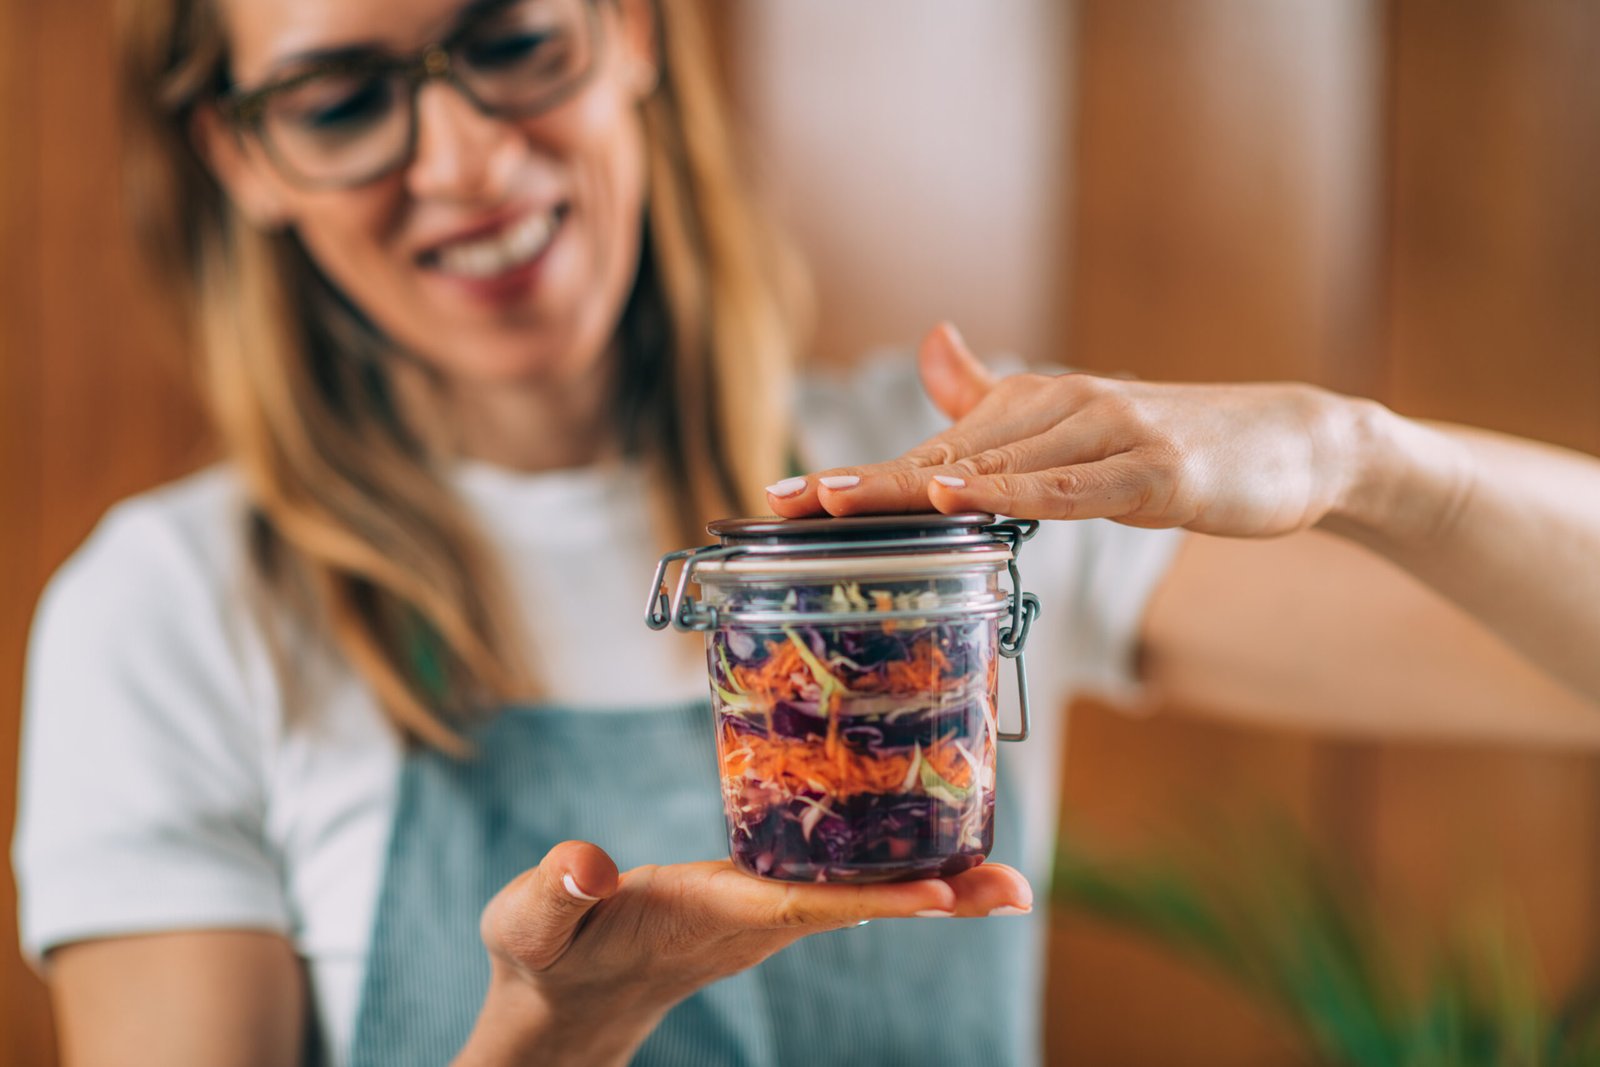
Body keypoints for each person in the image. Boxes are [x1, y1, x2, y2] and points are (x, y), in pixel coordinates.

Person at [11, 1, 1600, 1066]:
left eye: (512, 39)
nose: (467, 159)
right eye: (342, 97)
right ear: (245, 155)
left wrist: (1365, 457)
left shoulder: (943, 508)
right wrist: (551, 1036)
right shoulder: (172, 610)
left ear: (627, 27)